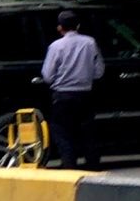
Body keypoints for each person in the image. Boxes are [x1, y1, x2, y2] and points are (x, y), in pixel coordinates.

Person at [41, 9, 104, 169]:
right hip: (85, 94)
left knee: (62, 132)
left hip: (62, 95)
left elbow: (48, 75)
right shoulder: (90, 42)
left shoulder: (56, 46)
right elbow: (99, 71)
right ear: (78, 25)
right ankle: (93, 165)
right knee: (87, 131)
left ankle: (69, 165)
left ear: (59, 28)